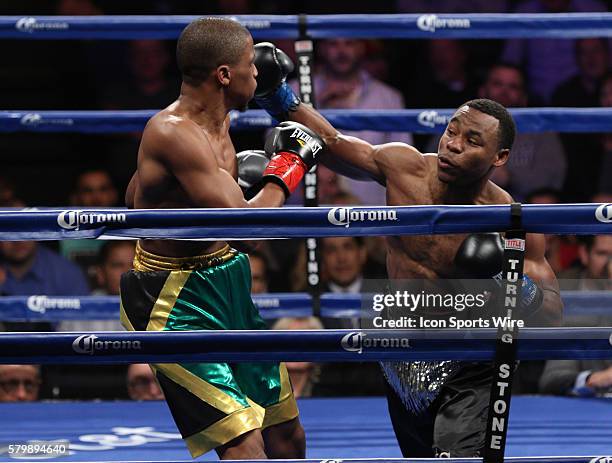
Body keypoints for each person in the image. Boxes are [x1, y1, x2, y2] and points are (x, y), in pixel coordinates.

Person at [253, 44, 562, 456]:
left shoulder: (509, 219)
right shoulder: (405, 168)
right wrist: (276, 96)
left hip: (474, 360)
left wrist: (509, 279)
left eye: (472, 141)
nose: (453, 144)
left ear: (499, 156)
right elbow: (332, 142)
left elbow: (553, 312)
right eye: (452, 130)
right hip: (402, 352)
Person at [119, 18, 322, 460]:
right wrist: (287, 168)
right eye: (251, 63)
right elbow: (247, 233)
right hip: (173, 299)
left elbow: (136, 195)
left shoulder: (219, 119)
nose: (260, 71)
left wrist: (284, 105)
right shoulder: (173, 131)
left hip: (226, 280)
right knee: (243, 444)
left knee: (286, 435)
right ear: (224, 75)